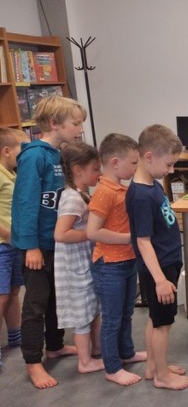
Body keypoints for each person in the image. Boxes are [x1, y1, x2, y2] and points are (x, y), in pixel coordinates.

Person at [11, 96, 86, 388]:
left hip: (57, 244)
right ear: (55, 123)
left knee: (56, 298)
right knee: (36, 304)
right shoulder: (34, 157)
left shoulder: (59, 155)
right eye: (76, 123)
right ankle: (33, 361)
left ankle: (55, 345)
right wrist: (30, 246)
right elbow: (26, 203)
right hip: (37, 247)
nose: (80, 129)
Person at [125, 124, 188, 390]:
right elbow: (142, 242)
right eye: (168, 164)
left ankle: (154, 366)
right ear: (149, 156)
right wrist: (160, 280)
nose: (171, 171)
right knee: (163, 324)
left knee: (155, 318)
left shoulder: (151, 184)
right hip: (160, 268)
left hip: (166, 263)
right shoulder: (141, 195)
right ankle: (163, 376)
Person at [87, 133, 146, 386]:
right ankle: (112, 367)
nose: (136, 168)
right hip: (109, 264)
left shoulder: (121, 188)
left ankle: (126, 352)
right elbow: (93, 231)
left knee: (126, 312)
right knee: (112, 318)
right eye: (133, 163)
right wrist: (129, 239)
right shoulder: (104, 192)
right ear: (114, 163)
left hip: (126, 261)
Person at [54, 141, 104, 374]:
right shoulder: (72, 198)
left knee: (92, 309)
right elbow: (61, 234)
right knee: (82, 315)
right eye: (95, 169)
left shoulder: (81, 194)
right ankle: (85, 361)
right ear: (77, 169)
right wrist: (91, 234)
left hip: (83, 263)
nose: (99, 173)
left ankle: (95, 351)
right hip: (74, 267)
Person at [0, 128, 28, 368]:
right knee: (1, 295)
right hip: (3, 245)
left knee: (13, 291)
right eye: (23, 149)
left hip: (14, 244)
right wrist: (6, 233)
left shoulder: (11, 174)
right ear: (7, 151)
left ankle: (15, 336)